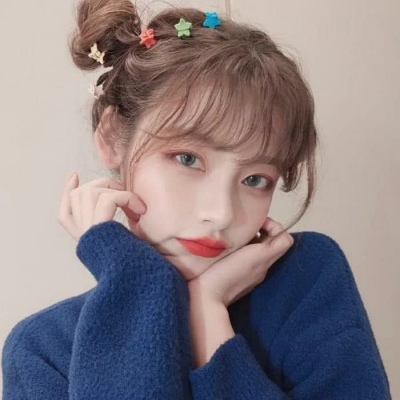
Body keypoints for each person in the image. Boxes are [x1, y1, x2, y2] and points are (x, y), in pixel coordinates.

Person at [1, 0, 392, 399]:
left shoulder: (306, 280)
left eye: (255, 179)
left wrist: (208, 315)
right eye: (187, 159)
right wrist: (137, 279)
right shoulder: (43, 350)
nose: (221, 214)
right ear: (113, 137)